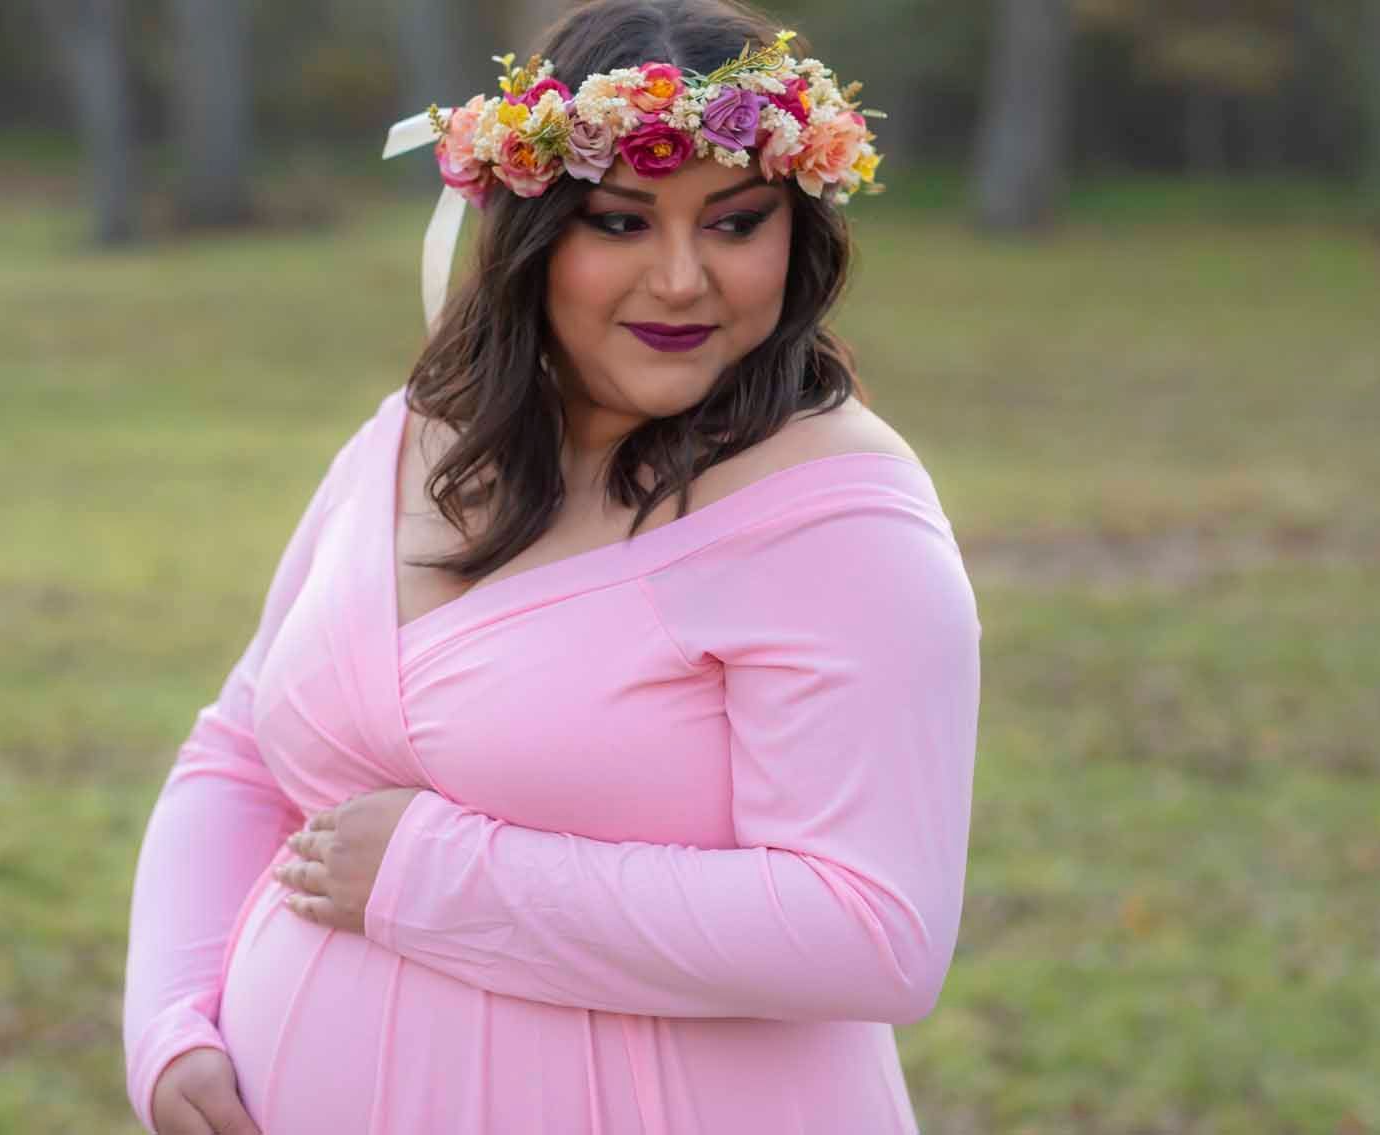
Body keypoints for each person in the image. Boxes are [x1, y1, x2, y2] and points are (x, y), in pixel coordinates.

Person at [121, 1, 982, 1131]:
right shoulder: (418, 434)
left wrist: (438, 879)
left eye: (735, 223)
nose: (681, 281)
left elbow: (872, 928)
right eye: (620, 224)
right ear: (529, 231)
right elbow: (240, 755)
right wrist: (172, 1021)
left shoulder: (836, 519)